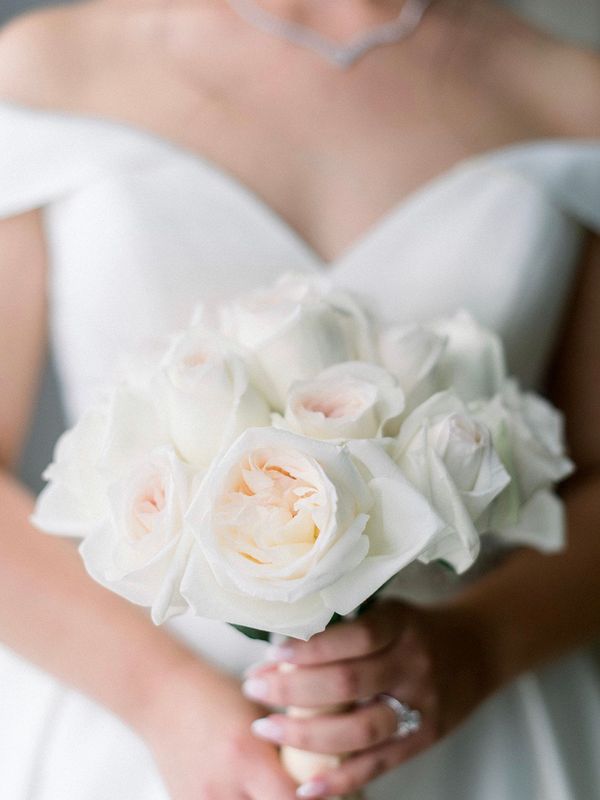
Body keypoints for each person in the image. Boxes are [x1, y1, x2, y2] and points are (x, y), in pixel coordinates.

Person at [0, 0, 599, 797]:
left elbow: (591, 479)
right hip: (122, 732)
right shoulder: (49, 67)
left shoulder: (569, 92)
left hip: (478, 735)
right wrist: (163, 698)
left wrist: (475, 648)